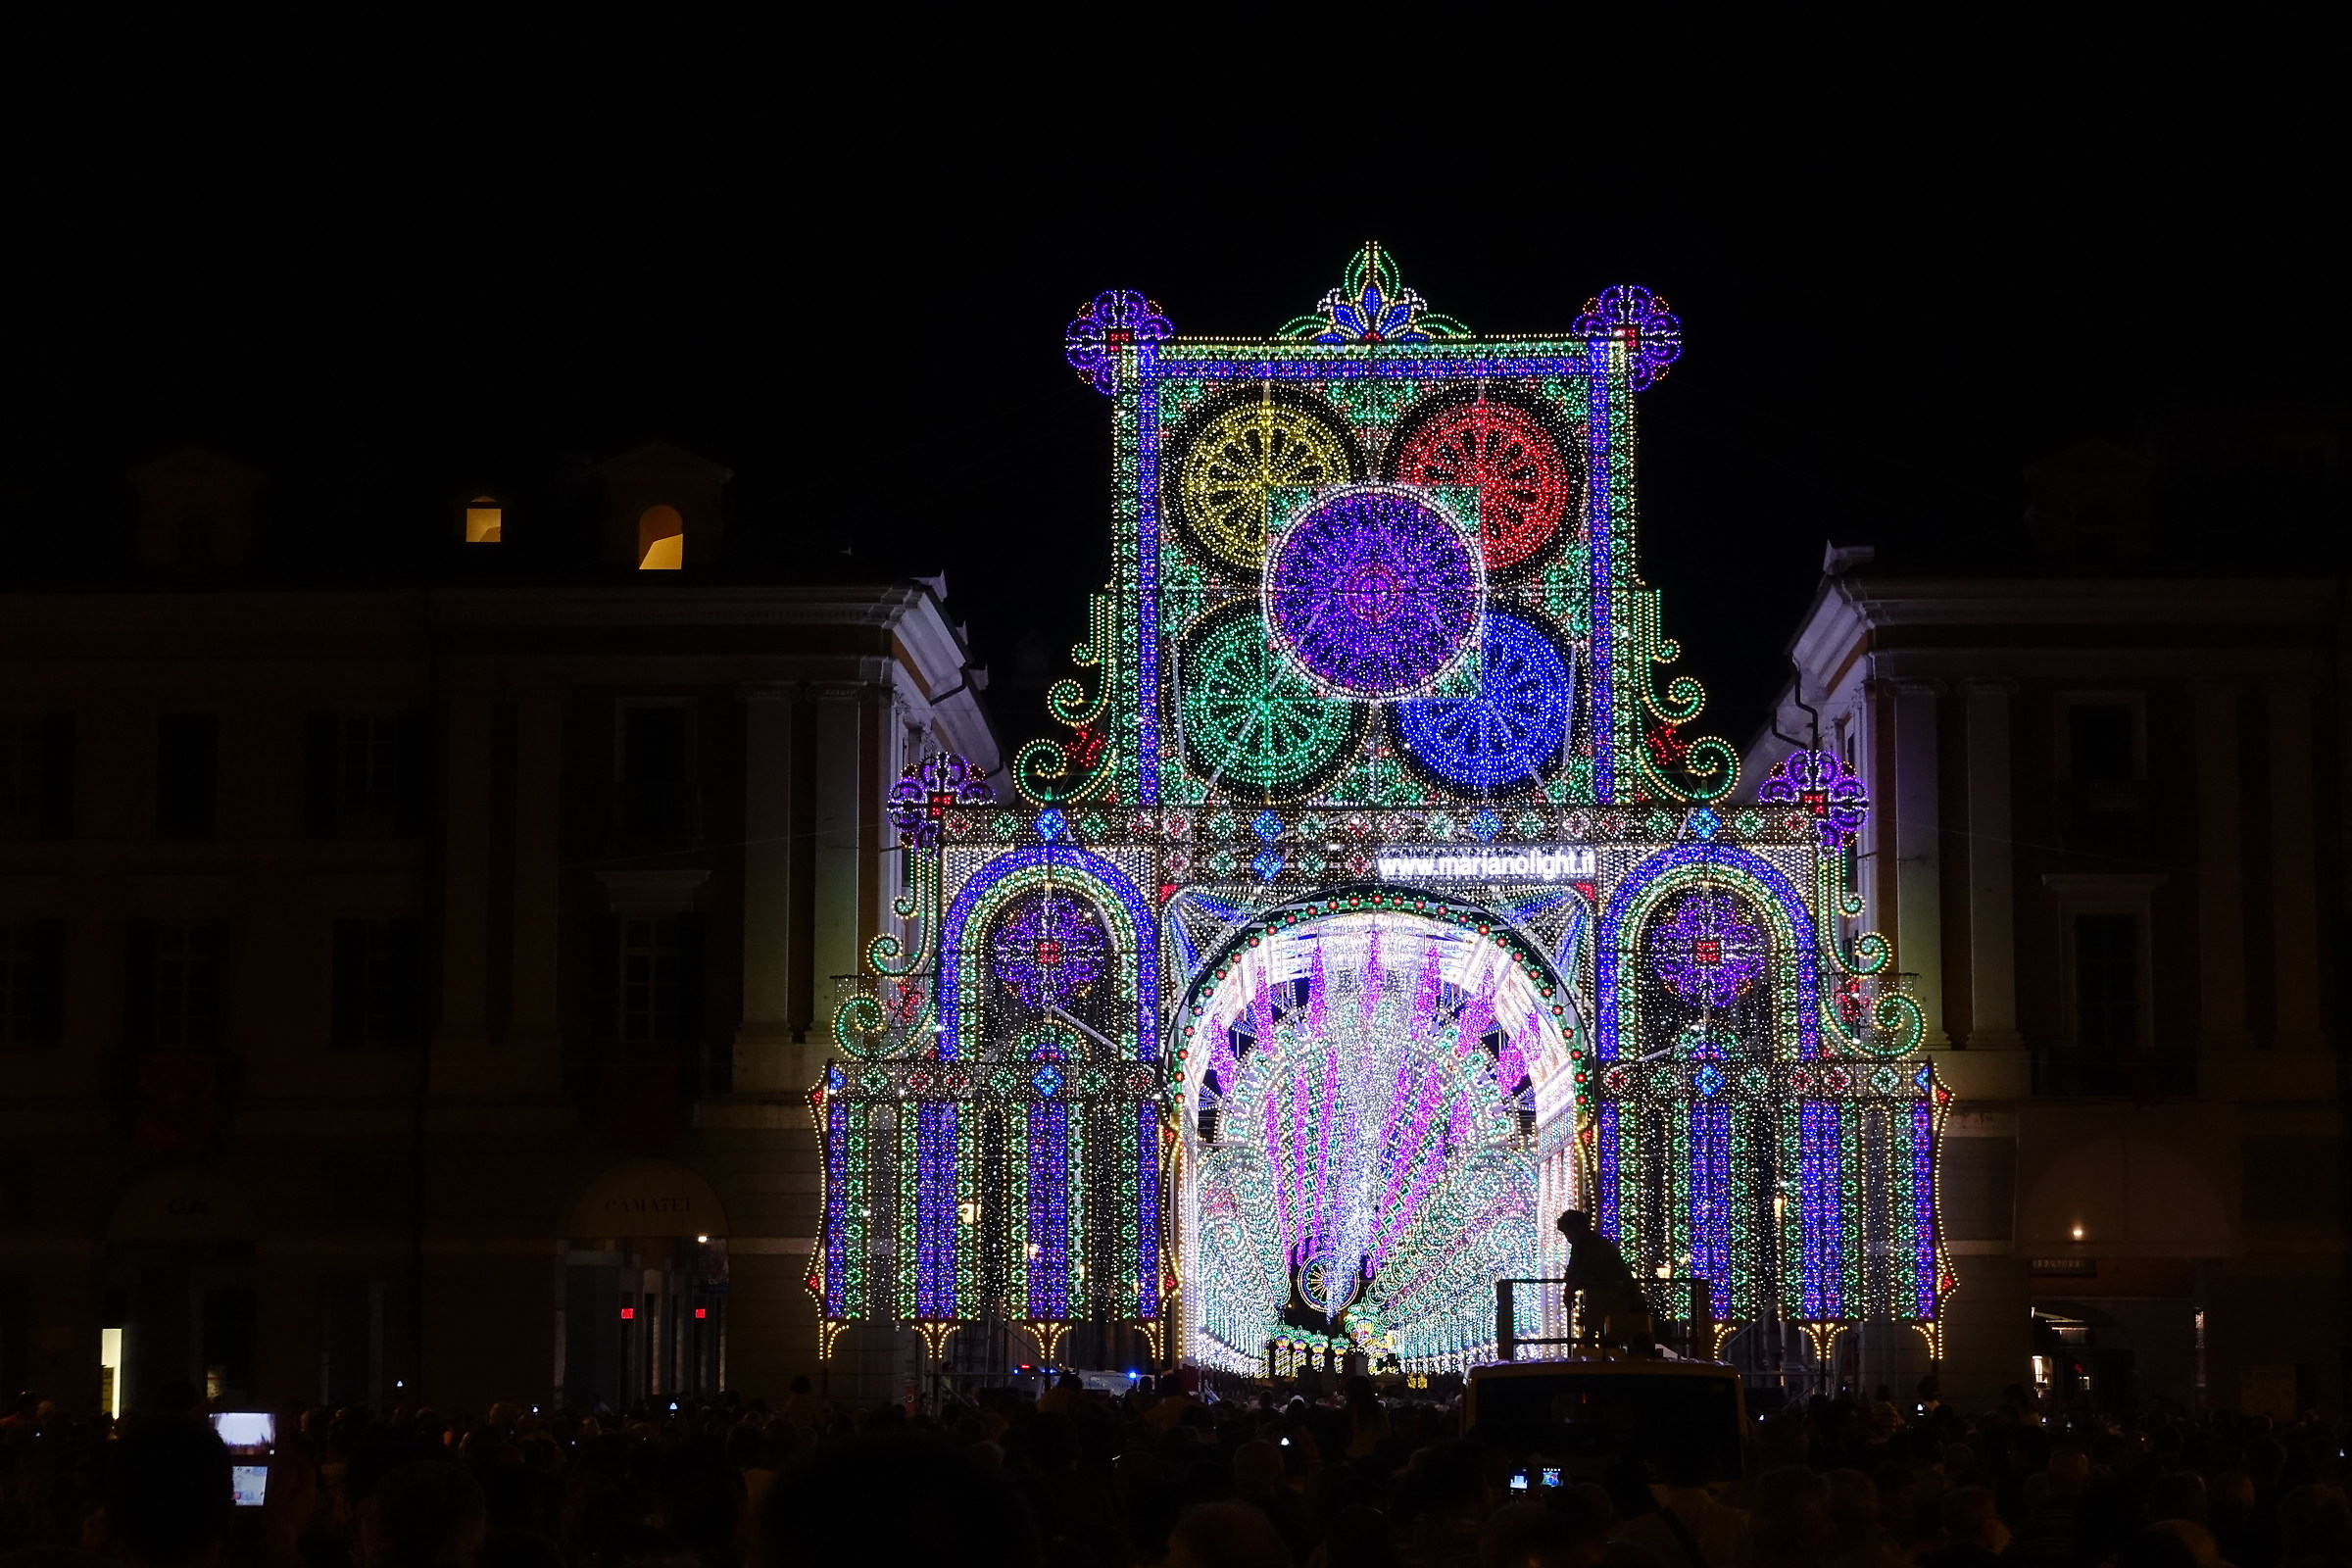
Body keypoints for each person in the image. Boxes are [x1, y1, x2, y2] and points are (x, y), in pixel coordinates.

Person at [1555, 1209, 1653, 1351]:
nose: (1568, 1238)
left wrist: (1571, 1288)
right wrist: (1570, 1286)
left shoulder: (1594, 1246)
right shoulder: (1585, 1244)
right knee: (1603, 1332)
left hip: (1617, 1297)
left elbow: (1587, 1272)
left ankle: (1596, 1350)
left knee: (1608, 1333)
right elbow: (1574, 1270)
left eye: (1568, 1233)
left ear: (1578, 1229)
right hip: (1610, 1296)